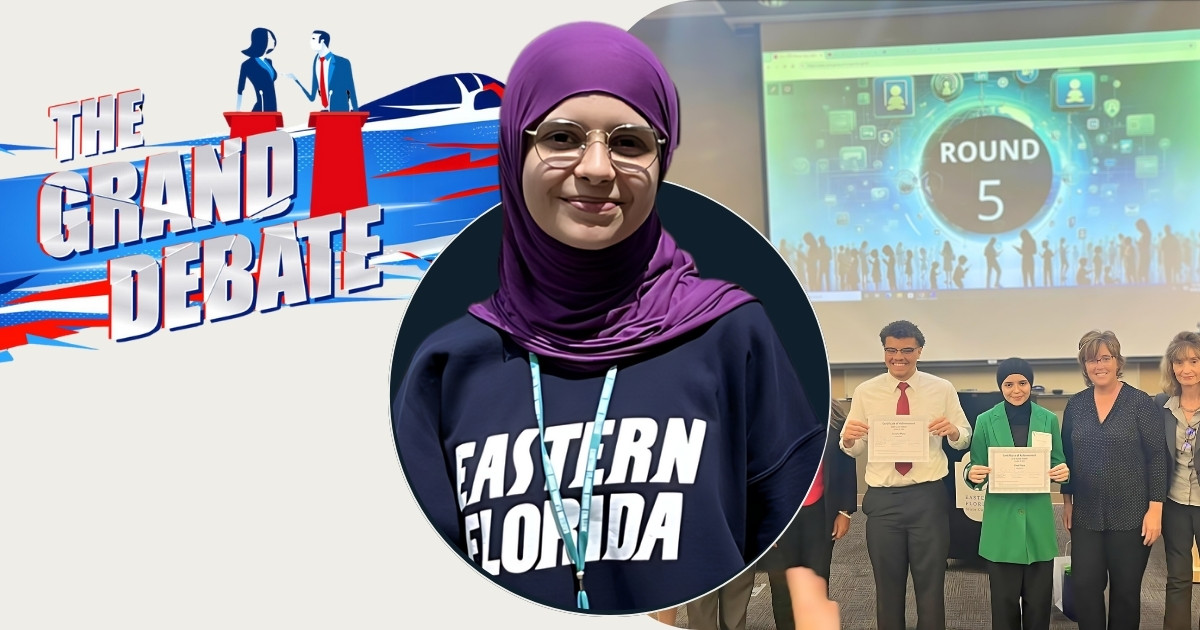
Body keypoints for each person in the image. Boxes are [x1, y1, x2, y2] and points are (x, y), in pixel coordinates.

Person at [390, 21, 825, 614]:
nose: (597, 168)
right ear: (515, 151)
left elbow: (788, 529)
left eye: (629, 143)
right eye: (562, 137)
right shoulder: (448, 366)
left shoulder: (730, 334)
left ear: (662, 159)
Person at [840, 320, 972, 630]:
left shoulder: (941, 389)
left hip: (927, 498)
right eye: (891, 350)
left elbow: (965, 436)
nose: (898, 357)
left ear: (919, 351)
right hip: (883, 501)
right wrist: (848, 440)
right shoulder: (865, 391)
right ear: (884, 351)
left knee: (931, 588)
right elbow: (854, 446)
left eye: (906, 350)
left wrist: (953, 431)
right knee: (887, 589)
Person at [1061, 330, 1168, 630]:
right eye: (1091, 360)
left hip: (1132, 515)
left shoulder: (1139, 403)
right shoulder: (1076, 404)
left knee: (1125, 593)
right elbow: (1066, 456)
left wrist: (1155, 509)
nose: (1099, 365)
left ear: (1117, 360)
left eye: (1105, 358)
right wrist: (1067, 501)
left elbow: (1157, 457)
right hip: (1086, 515)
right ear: (1084, 366)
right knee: (1085, 587)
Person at [965, 358, 1070, 630]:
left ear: (1030, 384)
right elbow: (975, 464)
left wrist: (1063, 472)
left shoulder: (1047, 419)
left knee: (1038, 607)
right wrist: (973, 474)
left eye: (1022, 383)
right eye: (1008, 384)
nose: (1016, 390)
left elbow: (1058, 461)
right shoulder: (985, 421)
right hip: (1002, 527)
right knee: (1004, 607)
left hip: (1038, 525)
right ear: (1000, 386)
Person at [761, 399, 856, 630]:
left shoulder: (835, 420)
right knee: (782, 587)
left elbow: (846, 463)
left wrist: (845, 511)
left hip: (820, 512)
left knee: (816, 581)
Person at [1158, 331, 1200, 630]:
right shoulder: (1162, 405)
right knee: (1178, 578)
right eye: (1180, 361)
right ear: (1171, 366)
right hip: (1174, 504)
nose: (1187, 369)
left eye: (1194, 360)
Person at [288, 30, 358, 111]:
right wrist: (296, 80)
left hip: (340, 111)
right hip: (324, 112)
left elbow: (351, 89)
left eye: (313, 39)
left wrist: (356, 113)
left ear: (322, 41)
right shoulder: (316, 61)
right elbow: (312, 97)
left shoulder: (342, 63)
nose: (310, 42)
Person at [236, 27, 279, 112]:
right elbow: (240, 89)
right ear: (262, 41)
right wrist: (238, 110)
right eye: (270, 38)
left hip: (273, 107)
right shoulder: (247, 65)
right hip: (261, 107)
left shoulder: (269, 62)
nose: (273, 40)